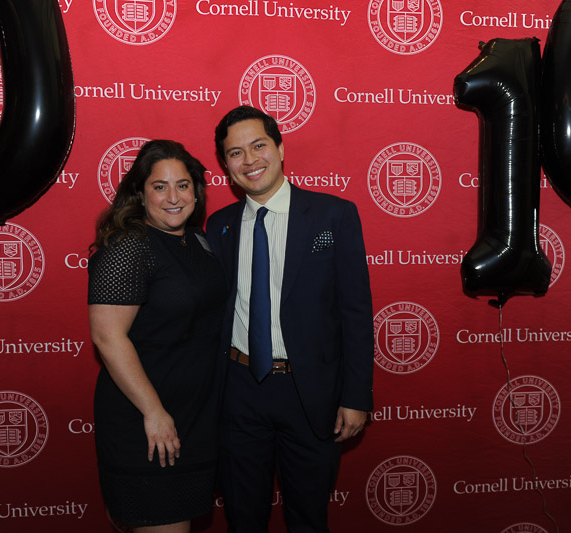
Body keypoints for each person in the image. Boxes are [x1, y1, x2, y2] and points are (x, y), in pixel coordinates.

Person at [206, 106, 374, 532]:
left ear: (280, 148)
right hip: (239, 390)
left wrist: (356, 396)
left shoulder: (333, 216)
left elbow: (355, 312)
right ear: (225, 165)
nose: (250, 160)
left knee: (308, 517)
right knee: (243, 518)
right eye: (235, 153)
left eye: (259, 145)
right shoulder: (219, 226)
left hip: (310, 393)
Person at [88, 139, 226, 533]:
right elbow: (108, 337)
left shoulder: (197, 241)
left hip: (195, 417)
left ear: (196, 192)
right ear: (140, 191)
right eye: (159, 186)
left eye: (183, 185)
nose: (173, 197)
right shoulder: (130, 247)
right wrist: (154, 412)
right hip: (149, 421)